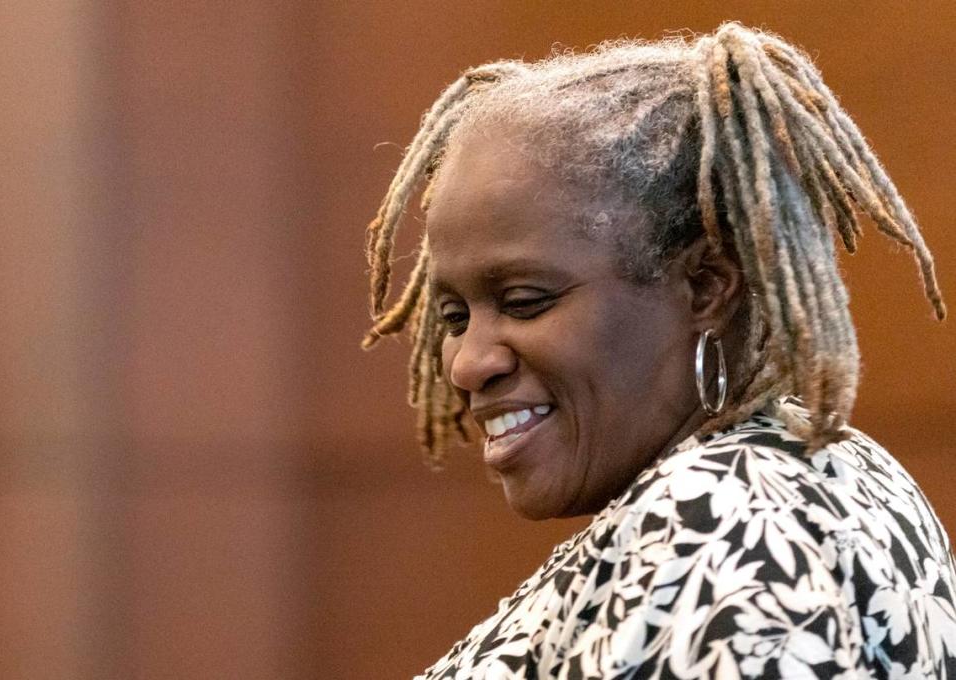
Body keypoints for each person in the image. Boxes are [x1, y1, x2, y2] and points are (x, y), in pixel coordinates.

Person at [362, 22, 956, 679]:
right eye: (452, 316)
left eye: (526, 302)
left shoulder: (727, 518)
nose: (468, 363)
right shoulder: (808, 472)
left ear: (704, 287)